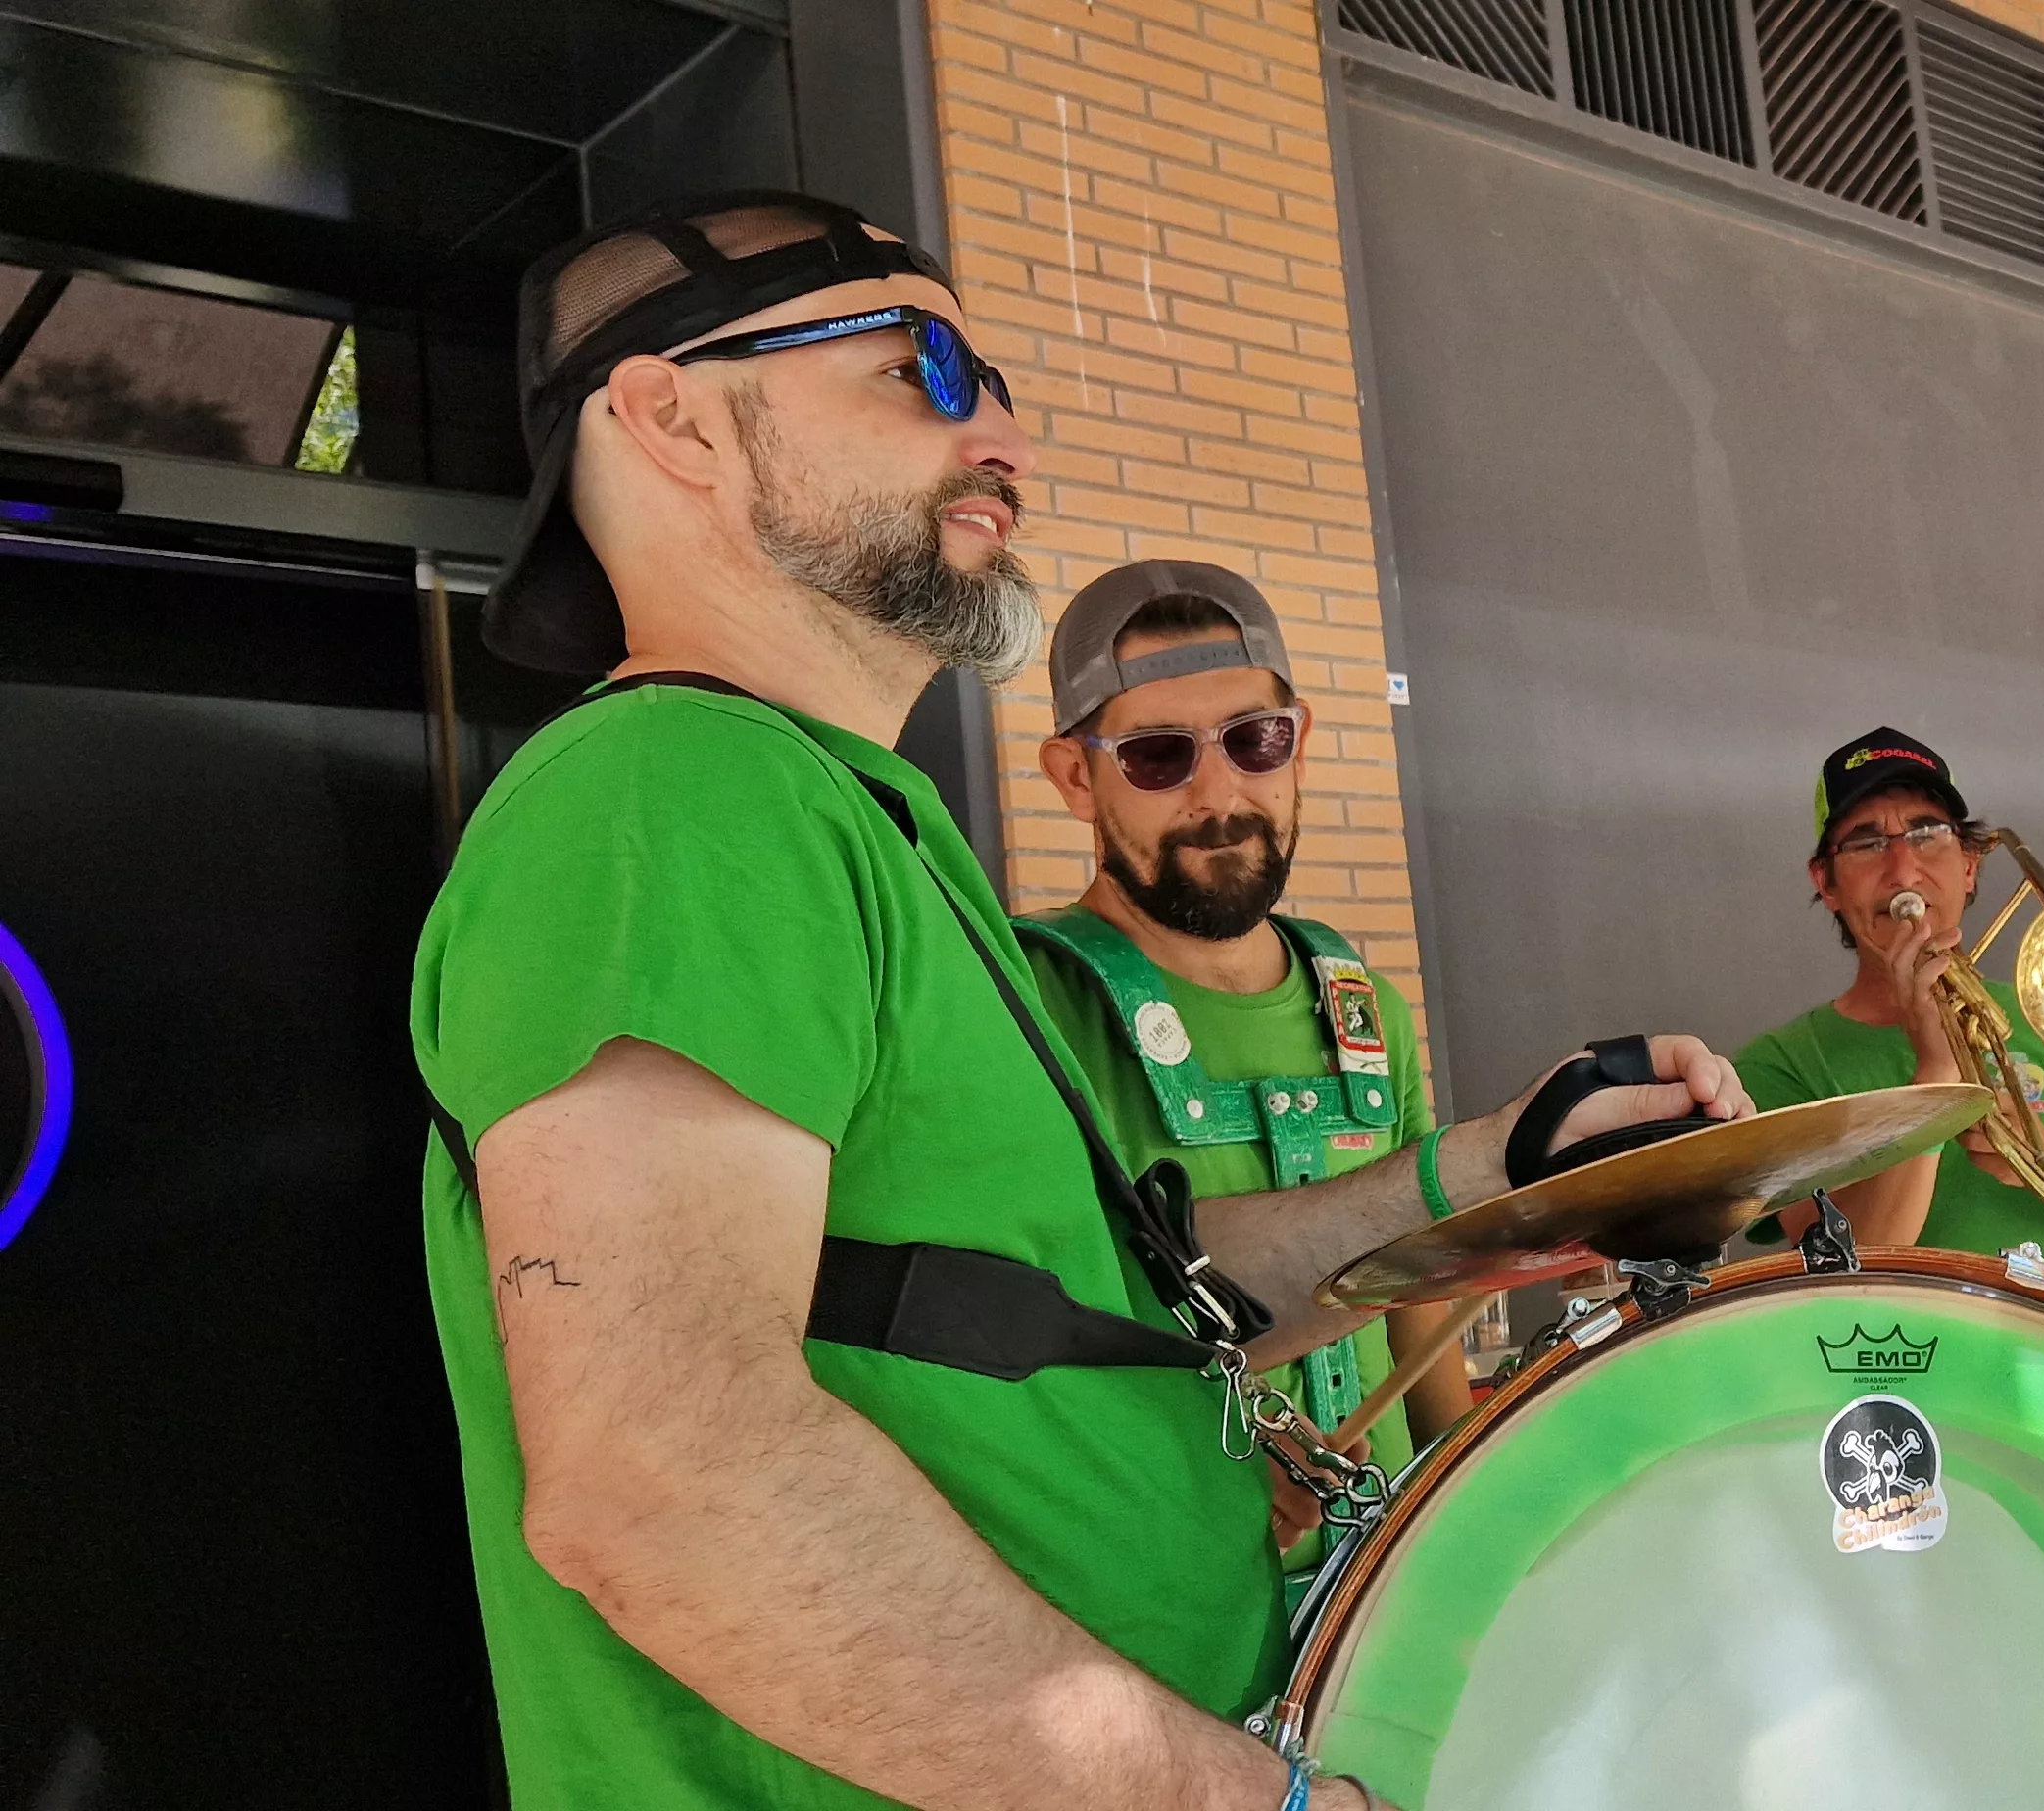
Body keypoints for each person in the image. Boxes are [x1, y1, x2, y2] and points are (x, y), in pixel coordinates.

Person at [411, 191, 1747, 1810]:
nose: (1012, 432)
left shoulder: (853, 820)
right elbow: (662, 1474)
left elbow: (1108, 1304)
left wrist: (1500, 1172)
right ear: (671, 415)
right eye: (928, 368)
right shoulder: (672, 792)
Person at [1020, 561, 1473, 1555]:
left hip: (1377, 1604)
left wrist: (1465, 1540)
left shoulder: (1361, 1004)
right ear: (1072, 777)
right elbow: (1022, 1328)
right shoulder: (1020, 1002)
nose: (1219, 792)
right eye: (1156, 756)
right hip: (1162, 1611)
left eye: (1253, 741)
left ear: (1298, 743)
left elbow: (1420, 1315)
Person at [1735, 729, 2044, 1300]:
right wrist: (1936, 1080)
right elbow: (1839, 1280)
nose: (1903, 870)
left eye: (1927, 834)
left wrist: (2039, 1153)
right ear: (1825, 883)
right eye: (1866, 842)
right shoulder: (1781, 1065)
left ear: (1971, 864)